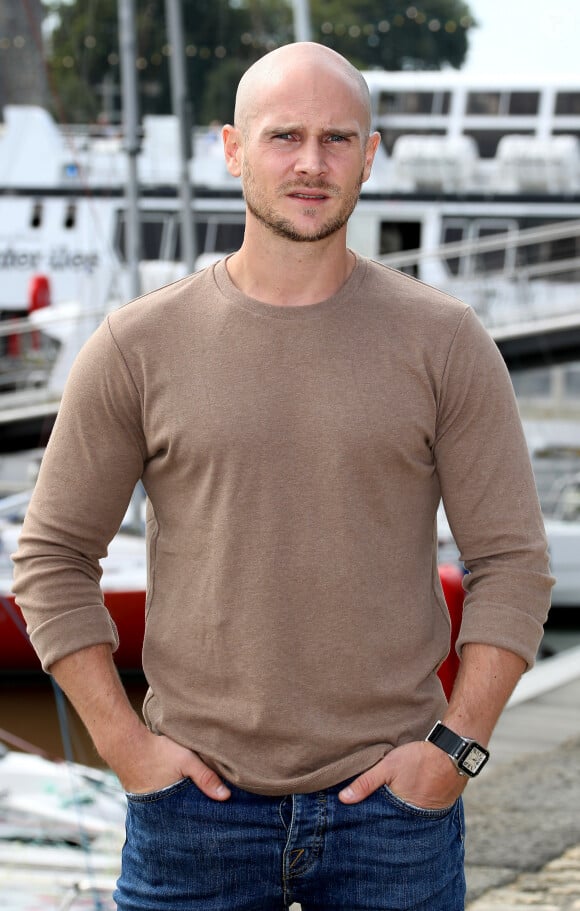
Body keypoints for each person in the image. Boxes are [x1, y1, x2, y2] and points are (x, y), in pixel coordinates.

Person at [12, 42, 553, 911]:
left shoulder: (446, 342)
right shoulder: (135, 346)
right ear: (232, 148)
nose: (311, 163)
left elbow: (513, 565)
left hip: (393, 817)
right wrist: (127, 749)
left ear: (371, 157)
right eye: (284, 136)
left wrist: (456, 751)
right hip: (193, 814)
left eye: (338, 139)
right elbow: (50, 560)